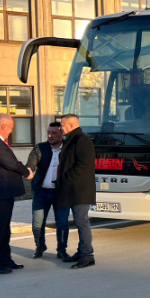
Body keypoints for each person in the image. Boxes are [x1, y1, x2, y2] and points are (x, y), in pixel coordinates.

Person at [56, 114, 96, 269]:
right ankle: (81, 252)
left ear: (71, 125)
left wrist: (66, 177)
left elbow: (83, 165)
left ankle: (87, 255)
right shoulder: (72, 139)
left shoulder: (82, 140)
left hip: (80, 190)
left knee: (81, 221)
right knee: (80, 221)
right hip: (73, 189)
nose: (60, 128)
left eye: (62, 125)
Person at [26, 122, 71, 259]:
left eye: (54, 133)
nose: (50, 136)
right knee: (37, 223)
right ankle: (40, 246)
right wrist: (28, 170)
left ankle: (62, 250)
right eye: (48, 133)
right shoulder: (40, 148)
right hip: (42, 192)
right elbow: (31, 164)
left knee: (62, 223)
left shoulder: (68, 149)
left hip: (61, 193)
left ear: (62, 134)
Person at [0, 113, 33, 274]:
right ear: (3, 126)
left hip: (5, 192)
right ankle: (0, 262)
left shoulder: (1, 142)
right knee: (0, 228)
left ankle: (6, 259)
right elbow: (11, 163)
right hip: (1, 192)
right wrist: (26, 172)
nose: (11, 131)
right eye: (11, 128)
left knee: (5, 229)